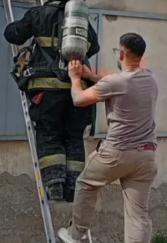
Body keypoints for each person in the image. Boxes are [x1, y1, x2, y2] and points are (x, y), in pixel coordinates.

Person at [3, 0, 99, 202]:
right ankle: (73, 187)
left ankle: (55, 186)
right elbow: (93, 47)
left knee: (49, 134)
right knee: (74, 136)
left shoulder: (37, 14)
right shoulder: (81, 20)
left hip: (46, 91)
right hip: (78, 90)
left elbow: (13, 35)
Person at [57, 33, 158, 243]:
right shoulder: (150, 79)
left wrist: (75, 78)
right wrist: (90, 75)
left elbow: (78, 99)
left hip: (116, 153)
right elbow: (115, 86)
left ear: (121, 54)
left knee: (85, 184)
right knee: (138, 215)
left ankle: (76, 234)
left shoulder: (116, 82)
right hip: (146, 157)